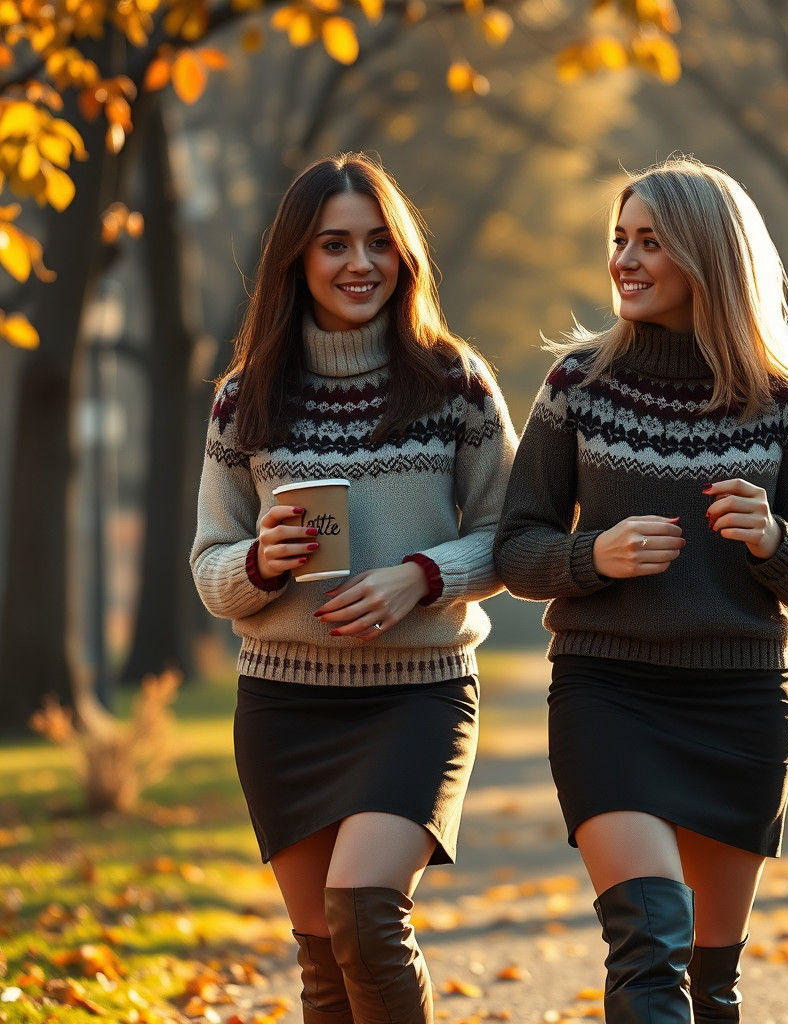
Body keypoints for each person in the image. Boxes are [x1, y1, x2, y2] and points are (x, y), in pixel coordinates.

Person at [493, 156, 788, 1024]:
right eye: (620, 239)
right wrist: (593, 558)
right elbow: (515, 547)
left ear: (709, 254)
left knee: (709, 983)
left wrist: (771, 542)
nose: (625, 259)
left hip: (741, 702)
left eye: (651, 241)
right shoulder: (576, 384)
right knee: (648, 946)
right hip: (607, 692)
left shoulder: (784, 400)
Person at [190, 153, 516, 1024]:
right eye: (334, 244)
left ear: (404, 255)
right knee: (326, 966)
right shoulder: (244, 400)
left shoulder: (454, 383)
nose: (359, 263)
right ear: (296, 258)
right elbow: (211, 568)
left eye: (379, 242)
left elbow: (512, 540)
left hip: (419, 696)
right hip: (284, 704)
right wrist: (261, 562)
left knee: (366, 917)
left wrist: (422, 578)